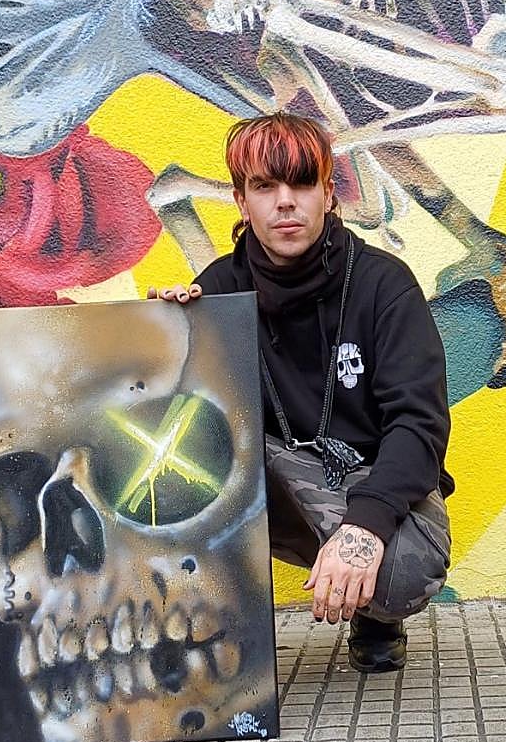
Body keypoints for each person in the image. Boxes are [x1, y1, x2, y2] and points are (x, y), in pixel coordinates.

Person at [148, 112, 454, 673]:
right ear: (242, 202)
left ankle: (375, 614)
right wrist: (171, 339)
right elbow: (189, 431)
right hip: (273, 475)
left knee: (402, 575)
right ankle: (213, 626)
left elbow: (419, 424)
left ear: (329, 194)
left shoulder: (384, 284)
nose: (285, 202)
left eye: (302, 183)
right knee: (176, 460)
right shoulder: (216, 293)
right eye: (265, 186)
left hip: (364, 473)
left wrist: (365, 527)